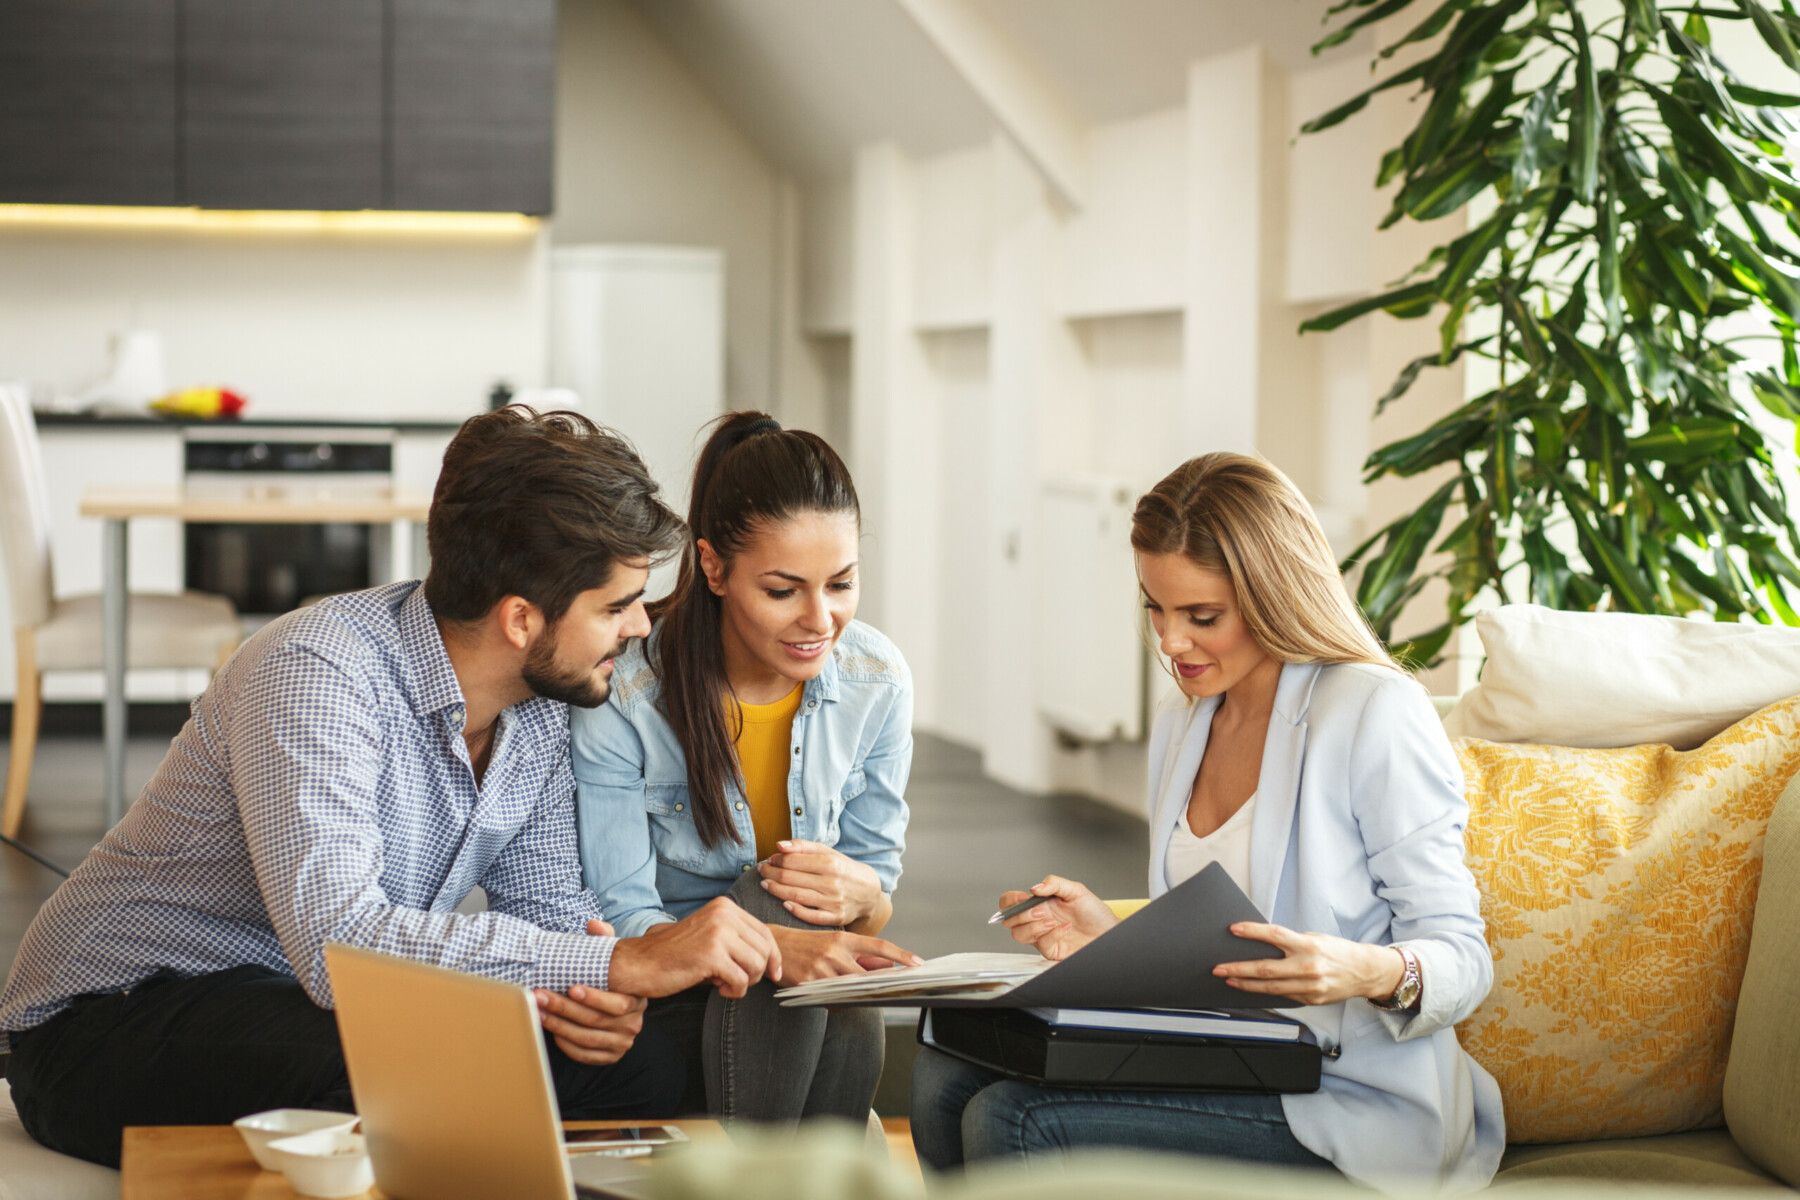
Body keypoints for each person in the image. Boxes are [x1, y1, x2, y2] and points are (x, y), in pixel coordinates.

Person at [0, 408, 787, 1168]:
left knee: (639, 1068)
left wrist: (591, 997)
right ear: (520, 619)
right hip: (110, 1019)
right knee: (420, 1066)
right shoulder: (317, 671)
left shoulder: (543, 707)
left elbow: (548, 918)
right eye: (616, 606)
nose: (641, 627)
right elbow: (336, 943)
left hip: (302, 1003)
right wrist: (620, 966)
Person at [911, 453, 1503, 1193]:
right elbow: (1216, 937)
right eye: (1155, 607)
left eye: (1202, 617)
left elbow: (1463, 959)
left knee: (1015, 1118)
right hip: (1228, 1059)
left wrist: (1365, 970)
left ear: (1274, 596)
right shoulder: (1184, 722)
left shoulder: (1373, 713)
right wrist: (1109, 935)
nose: (1169, 642)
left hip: (1348, 1099)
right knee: (941, 1075)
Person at [571, 411, 917, 1125]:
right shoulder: (629, 693)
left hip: (804, 993)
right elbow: (623, 915)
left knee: (835, 986)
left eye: (842, 584)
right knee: (768, 899)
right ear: (714, 567)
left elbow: (873, 903)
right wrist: (772, 945)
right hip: (675, 988)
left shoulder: (877, 679)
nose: (820, 619)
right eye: (784, 591)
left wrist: (860, 895)